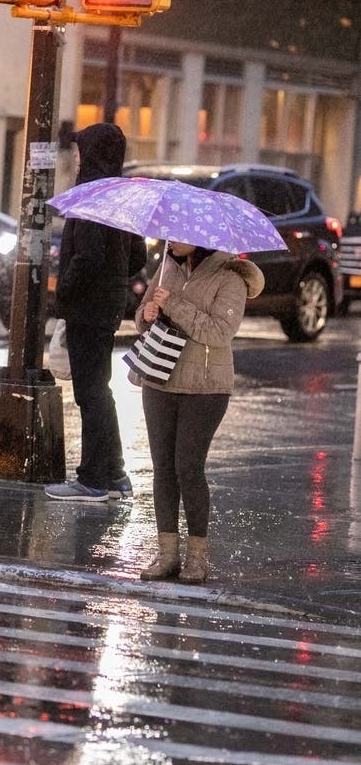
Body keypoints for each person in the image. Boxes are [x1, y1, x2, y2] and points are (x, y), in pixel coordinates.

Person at [135, 242, 263, 584]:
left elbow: (220, 332)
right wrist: (145, 315)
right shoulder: (167, 267)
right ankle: (167, 555)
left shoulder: (230, 277)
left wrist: (172, 304)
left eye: (180, 233)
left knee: (188, 469)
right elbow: (144, 316)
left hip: (206, 387)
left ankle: (198, 557)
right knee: (162, 469)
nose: (172, 238)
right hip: (159, 379)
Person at [45, 122, 148, 502]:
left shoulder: (91, 199)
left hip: (88, 307)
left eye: (79, 151)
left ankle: (92, 479)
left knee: (90, 394)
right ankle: (115, 473)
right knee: (99, 390)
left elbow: (86, 258)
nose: (75, 157)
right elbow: (137, 255)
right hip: (108, 305)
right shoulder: (120, 198)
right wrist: (115, 272)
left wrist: (63, 296)